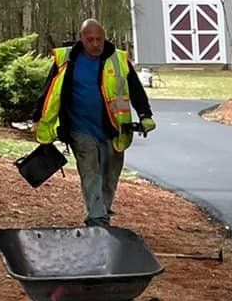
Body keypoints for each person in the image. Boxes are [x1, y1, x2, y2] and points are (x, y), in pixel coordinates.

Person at [34, 19, 155, 228]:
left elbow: (135, 89)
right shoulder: (66, 59)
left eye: (99, 39)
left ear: (104, 37)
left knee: (110, 174)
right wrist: (37, 116)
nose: (95, 44)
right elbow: (49, 91)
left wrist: (145, 114)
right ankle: (97, 218)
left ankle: (102, 213)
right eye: (90, 39)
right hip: (79, 128)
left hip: (114, 128)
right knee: (90, 170)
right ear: (81, 39)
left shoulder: (118, 59)